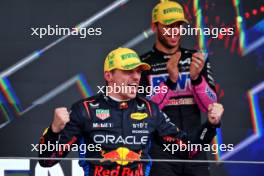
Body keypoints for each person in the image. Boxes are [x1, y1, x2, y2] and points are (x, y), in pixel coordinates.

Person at [38, 48, 223, 176]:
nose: (136, 77)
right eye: (128, 71)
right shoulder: (84, 109)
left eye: (138, 71)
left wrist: (211, 125)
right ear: (108, 76)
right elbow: (47, 161)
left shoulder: (150, 110)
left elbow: (186, 150)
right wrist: (54, 131)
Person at [140, 1, 218, 176]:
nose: (174, 31)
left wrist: (197, 79)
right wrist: (170, 82)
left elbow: (210, 106)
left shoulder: (196, 58)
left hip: (195, 148)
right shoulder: (143, 65)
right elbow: (144, 113)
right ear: (154, 27)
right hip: (160, 152)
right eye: (168, 26)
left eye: (179, 26)